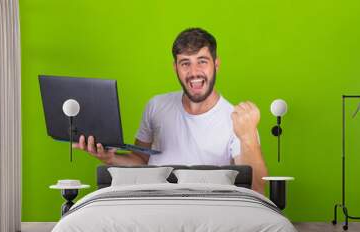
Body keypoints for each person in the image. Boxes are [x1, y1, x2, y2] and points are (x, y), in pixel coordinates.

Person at [73, 28, 268, 194]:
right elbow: (141, 161)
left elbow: (257, 190)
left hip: (209, 208)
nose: (194, 72)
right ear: (175, 68)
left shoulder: (237, 120)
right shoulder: (156, 106)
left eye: (202, 61)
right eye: (185, 63)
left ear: (216, 64)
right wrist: (110, 158)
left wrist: (249, 136)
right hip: (154, 203)